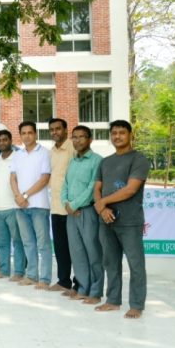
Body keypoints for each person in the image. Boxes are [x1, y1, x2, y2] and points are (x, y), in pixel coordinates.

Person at [94, 120, 150, 319]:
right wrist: (102, 210)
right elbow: (97, 188)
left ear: (130, 135)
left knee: (136, 264)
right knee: (110, 262)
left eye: (122, 133)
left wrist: (102, 203)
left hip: (130, 221)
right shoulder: (105, 162)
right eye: (114, 133)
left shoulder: (139, 159)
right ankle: (113, 301)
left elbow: (130, 189)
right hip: (106, 221)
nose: (117, 136)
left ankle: (136, 305)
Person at [61, 126, 103, 304]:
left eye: (81, 137)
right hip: (71, 214)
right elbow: (65, 185)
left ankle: (95, 292)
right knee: (77, 253)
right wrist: (66, 204)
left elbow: (93, 187)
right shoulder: (73, 161)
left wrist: (75, 204)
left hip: (87, 212)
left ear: (90, 139)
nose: (77, 141)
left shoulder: (97, 161)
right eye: (74, 137)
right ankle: (83, 288)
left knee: (93, 253)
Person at [10, 121, 52, 289]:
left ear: (35, 134)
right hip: (20, 206)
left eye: (30, 132)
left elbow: (44, 178)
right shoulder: (17, 155)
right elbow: (12, 177)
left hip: (38, 205)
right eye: (23, 133)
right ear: (20, 135)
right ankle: (32, 275)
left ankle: (45, 279)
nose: (27, 136)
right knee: (28, 242)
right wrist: (18, 196)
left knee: (43, 244)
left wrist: (25, 195)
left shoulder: (44, 153)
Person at [48, 117, 79, 295]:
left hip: (72, 207)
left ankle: (79, 284)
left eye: (58, 129)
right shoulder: (51, 151)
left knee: (76, 248)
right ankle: (63, 281)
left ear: (66, 130)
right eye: (52, 129)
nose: (55, 132)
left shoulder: (74, 148)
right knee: (60, 247)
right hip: (56, 207)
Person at [0, 130, 25, 281]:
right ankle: (4, 270)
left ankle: (18, 272)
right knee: (2, 243)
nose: (2, 142)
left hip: (13, 208)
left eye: (5, 139)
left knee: (18, 242)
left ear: (11, 140)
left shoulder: (18, 158)